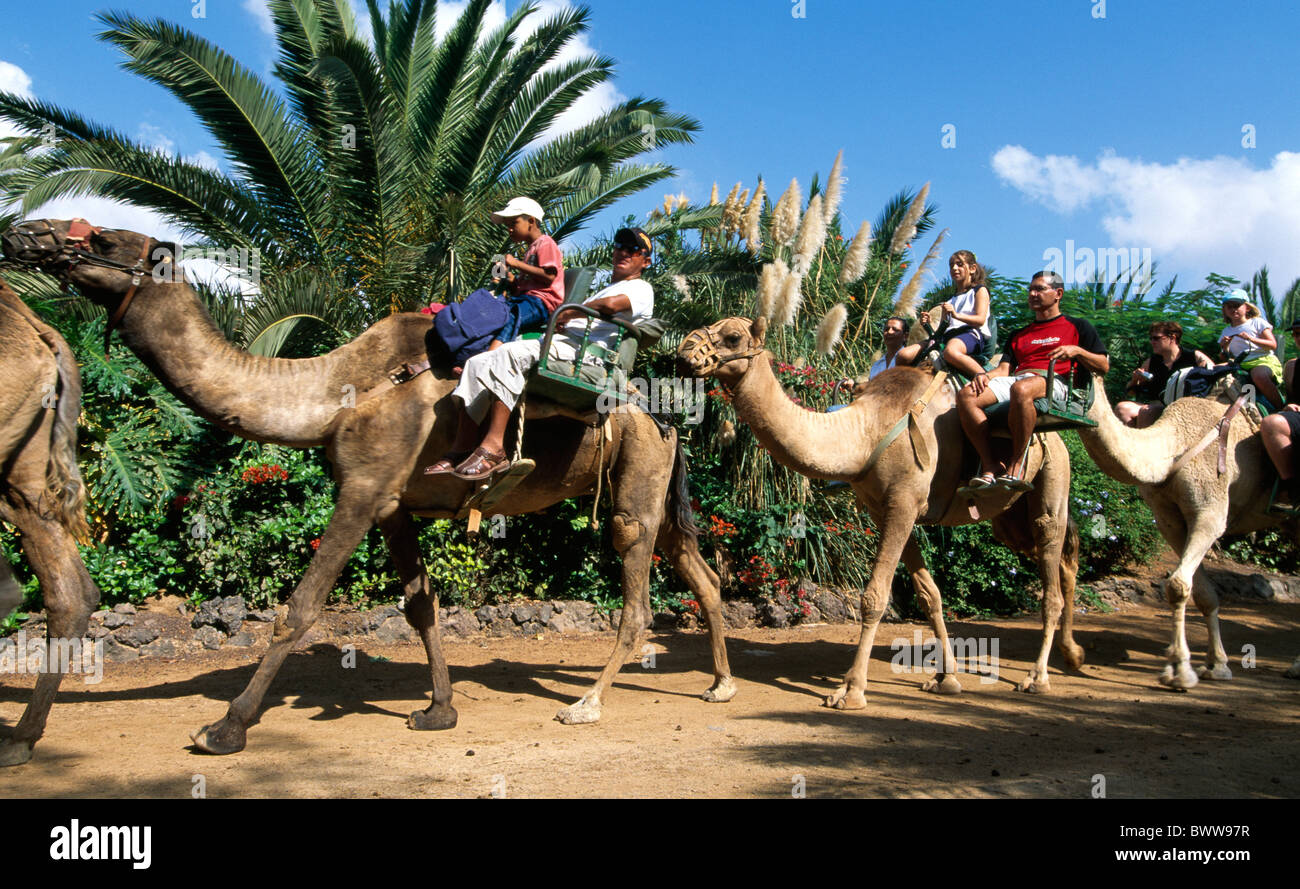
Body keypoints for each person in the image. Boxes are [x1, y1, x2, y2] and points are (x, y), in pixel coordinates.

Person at [424, 227, 655, 480]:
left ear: (645, 261)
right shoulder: (609, 287)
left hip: (585, 353)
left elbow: (611, 306)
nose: (624, 252)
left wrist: (571, 312)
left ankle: (494, 449)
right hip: (563, 343)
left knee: (508, 354)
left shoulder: (642, 288)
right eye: (620, 245)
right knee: (478, 361)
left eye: (633, 249)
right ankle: (461, 447)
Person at [957, 270, 1109, 489]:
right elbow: (1003, 370)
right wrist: (983, 376)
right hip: (1020, 380)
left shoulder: (1078, 326)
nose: (1033, 294)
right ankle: (991, 464)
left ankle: (1017, 464)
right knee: (967, 394)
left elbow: (1103, 366)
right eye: (1030, 289)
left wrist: (1077, 351)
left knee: (1021, 389)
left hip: (1057, 380)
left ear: (1058, 294)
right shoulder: (1020, 334)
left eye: (1039, 289)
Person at [894, 250, 991, 378]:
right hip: (946, 337)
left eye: (959, 264)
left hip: (970, 334)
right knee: (903, 355)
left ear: (972, 268)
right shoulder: (951, 300)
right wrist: (926, 324)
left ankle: (984, 378)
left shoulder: (979, 290)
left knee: (950, 352)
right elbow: (944, 326)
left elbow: (980, 319)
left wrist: (956, 315)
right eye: (951, 265)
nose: (954, 268)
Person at [489, 196, 565, 347]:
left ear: (531, 221)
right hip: (526, 300)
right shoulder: (530, 249)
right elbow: (528, 285)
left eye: (513, 223)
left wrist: (515, 263)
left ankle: (488, 358)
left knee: (511, 318)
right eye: (507, 226)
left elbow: (549, 276)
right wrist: (511, 280)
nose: (510, 229)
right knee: (494, 314)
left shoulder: (546, 243)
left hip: (541, 303)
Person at [1115, 321, 1214, 427]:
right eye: (1151, 338)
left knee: (1146, 412)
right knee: (1122, 408)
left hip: (1185, 408)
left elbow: (1214, 372)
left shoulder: (1193, 356)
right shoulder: (1151, 362)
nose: (1152, 342)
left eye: (1156, 338)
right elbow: (1131, 393)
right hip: (1157, 406)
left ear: (1172, 337)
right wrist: (1135, 380)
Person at [1219, 289, 1283, 410]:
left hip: (1263, 360)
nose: (1233, 309)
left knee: (1258, 375)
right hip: (1240, 364)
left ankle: (1281, 408)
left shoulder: (1257, 323)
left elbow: (1272, 344)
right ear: (1225, 310)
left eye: (1237, 305)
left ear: (1247, 307)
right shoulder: (1226, 331)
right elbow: (1224, 356)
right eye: (1229, 307)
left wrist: (1251, 339)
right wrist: (1225, 347)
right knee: (1213, 371)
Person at [1260, 319, 1300, 510]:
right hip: (1297, 417)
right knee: (1271, 423)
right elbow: (1291, 399)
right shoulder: (1292, 367)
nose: (1298, 338)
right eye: (1296, 334)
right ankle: (1290, 488)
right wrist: (1287, 407)